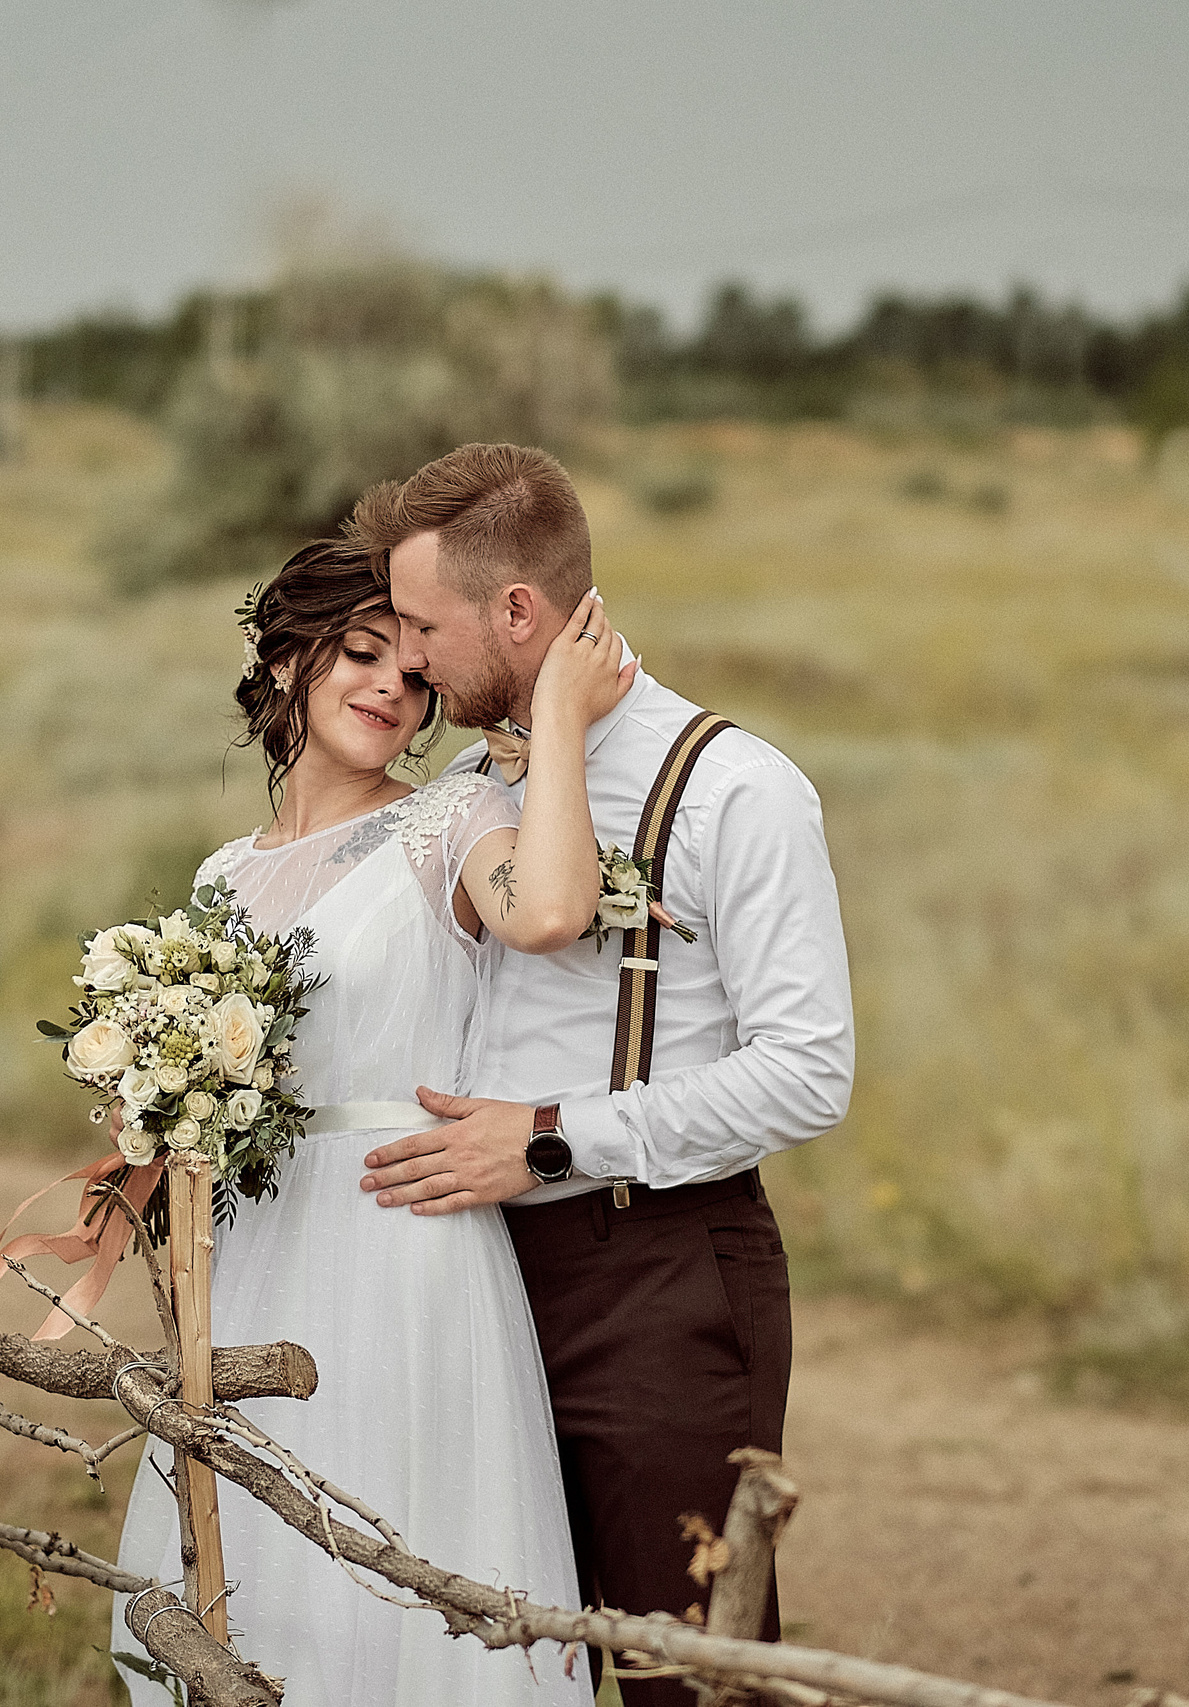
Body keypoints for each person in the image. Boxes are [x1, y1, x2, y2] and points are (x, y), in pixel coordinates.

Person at [346, 443, 856, 1706]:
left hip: (660, 1282)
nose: (409, 661)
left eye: (423, 626)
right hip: (474, 1295)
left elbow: (809, 1072)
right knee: (500, 1669)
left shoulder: (737, 790)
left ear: (519, 612)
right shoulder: (471, 788)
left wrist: (555, 1138)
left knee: (680, 1674)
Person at [112, 536, 629, 1705]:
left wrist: (552, 721)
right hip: (254, 1254)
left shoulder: (451, 825)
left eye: (414, 674)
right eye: (358, 654)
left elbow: (549, 909)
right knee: (254, 1566)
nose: (390, 690)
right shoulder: (219, 878)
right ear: (286, 658)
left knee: (400, 1560)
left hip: (405, 1242)